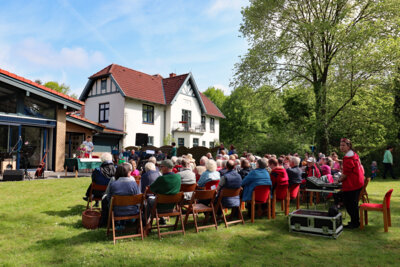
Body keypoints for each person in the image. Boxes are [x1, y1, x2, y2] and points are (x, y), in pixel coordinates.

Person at [336, 138, 364, 229]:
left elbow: (345, 174)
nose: (341, 147)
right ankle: (355, 222)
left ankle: (355, 223)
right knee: (352, 203)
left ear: (348, 146)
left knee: (350, 204)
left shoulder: (348, 157)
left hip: (353, 184)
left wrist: (338, 181)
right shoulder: (354, 154)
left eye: (343, 145)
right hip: (358, 182)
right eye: (340, 145)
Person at [147, 159, 181, 225]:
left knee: (149, 200)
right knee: (157, 198)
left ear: (166, 167)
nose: (160, 168)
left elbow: (151, 189)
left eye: (161, 166)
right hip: (172, 206)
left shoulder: (161, 179)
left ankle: (146, 222)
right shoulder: (178, 177)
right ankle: (161, 219)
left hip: (160, 207)